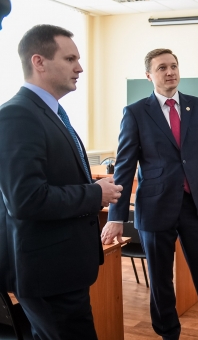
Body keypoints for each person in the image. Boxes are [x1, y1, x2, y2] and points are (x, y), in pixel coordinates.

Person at [0, 24, 123, 339]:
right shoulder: (17, 115)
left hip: (62, 270)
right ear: (39, 62)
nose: (79, 68)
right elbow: (26, 199)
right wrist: (95, 194)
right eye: (70, 59)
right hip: (47, 274)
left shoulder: (50, 113)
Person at [101, 49, 198, 340]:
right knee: (160, 279)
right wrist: (117, 217)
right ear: (149, 75)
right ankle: (168, 333)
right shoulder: (135, 112)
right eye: (162, 68)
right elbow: (125, 166)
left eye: (173, 66)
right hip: (155, 207)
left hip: (195, 205)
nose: (170, 72)